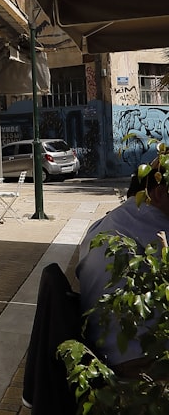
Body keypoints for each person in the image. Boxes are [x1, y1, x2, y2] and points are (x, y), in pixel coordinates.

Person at [75, 159, 169, 371]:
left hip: (102, 346)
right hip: (133, 358)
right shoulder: (156, 225)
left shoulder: (114, 219)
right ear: (160, 193)